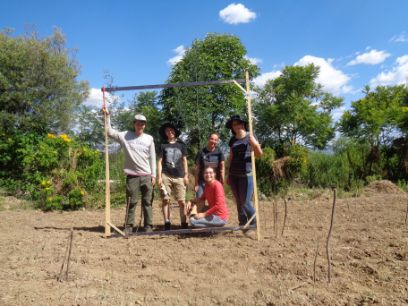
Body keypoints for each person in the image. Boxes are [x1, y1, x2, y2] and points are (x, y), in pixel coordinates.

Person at [102, 108, 156, 234]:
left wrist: (153, 175)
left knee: (147, 202)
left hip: (147, 176)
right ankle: (128, 226)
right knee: (131, 202)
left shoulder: (149, 138)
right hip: (132, 176)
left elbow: (153, 157)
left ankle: (148, 226)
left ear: (145, 125)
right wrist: (107, 116)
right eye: (137, 123)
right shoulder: (125, 136)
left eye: (142, 123)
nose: (140, 125)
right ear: (134, 124)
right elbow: (109, 132)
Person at [226, 114, 263, 226]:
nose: (236, 126)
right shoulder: (232, 140)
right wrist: (228, 174)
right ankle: (242, 223)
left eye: (238, 123)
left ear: (243, 124)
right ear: (232, 127)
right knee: (238, 202)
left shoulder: (251, 136)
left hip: (247, 175)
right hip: (233, 175)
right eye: (234, 124)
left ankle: (254, 223)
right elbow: (231, 158)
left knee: (246, 203)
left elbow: (259, 155)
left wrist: (255, 145)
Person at [157, 123, 189, 230]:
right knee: (166, 200)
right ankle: (167, 222)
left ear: (175, 132)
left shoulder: (181, 145)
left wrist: (186, 175)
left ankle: (184, 222)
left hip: (179, 176)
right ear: (165, 133)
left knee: (182, 201)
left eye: (171, 130)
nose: (169, 132)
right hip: (166, 175)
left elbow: (184, 160)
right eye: (167, 131)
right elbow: (160, 161)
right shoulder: (163, 146)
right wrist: (160, 177)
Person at [194, 133, 225, 198]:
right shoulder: (201, 152)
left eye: (216, 140)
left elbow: (222, 167)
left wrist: (222, 182)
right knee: (199, 200)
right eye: (212, 139)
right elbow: (197, 168)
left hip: (215, 182)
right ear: (208, 139)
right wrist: (196, 183)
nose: (213, 141)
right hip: (202, 181)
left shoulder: (219, 152)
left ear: (217, 141)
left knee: (215, 201)